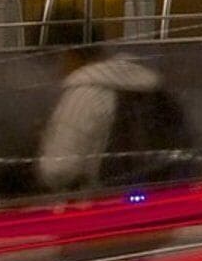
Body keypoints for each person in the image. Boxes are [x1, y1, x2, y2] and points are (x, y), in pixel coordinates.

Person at [34, 39, 193, 195]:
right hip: (164, 198)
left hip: (103, 201)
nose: (56, 70)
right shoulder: (156, 88)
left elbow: (58, 169)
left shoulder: (84, 94)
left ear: (69, 54)